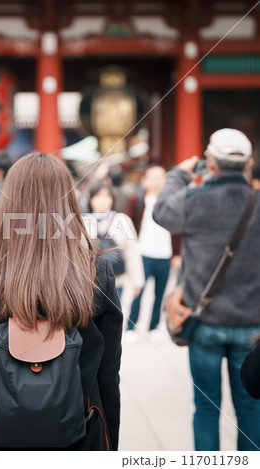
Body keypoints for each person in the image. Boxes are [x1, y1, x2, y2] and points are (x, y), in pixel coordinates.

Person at [0, 152, 123, 451]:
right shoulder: (95, 271)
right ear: (67, 202)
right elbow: (107, 371)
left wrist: (4, 404)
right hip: (81, 426)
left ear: (8, 201)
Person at [153, 128, 260, 451]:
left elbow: (161, 212)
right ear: (248, 164)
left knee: (206, 408)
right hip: (252, 326)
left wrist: (178, 174)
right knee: (252, 407)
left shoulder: (193, 200)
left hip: (205, 323)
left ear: (209, 163)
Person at [125, 165, 179, 338]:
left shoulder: (172, 201)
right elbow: (127, 225)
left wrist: (177, 253)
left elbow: (178, 230)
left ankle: (154, 327)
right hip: (142, 253)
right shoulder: (138, 200)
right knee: (138, 291)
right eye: (153, 176)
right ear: (145, 180)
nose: (157, 180)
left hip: (165, 254)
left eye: (160, 176)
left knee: (160, 294)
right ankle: (131, 328)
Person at [85, 181, 144, 300]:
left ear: (112, 199)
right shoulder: (83, 221)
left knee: (113, 316)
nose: (102, 200)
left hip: (117, 282)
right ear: (90, 199)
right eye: (97, 196)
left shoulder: (122, 220)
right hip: (89, 284)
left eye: (106, 196)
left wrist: (137, 281)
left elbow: (132, 251)